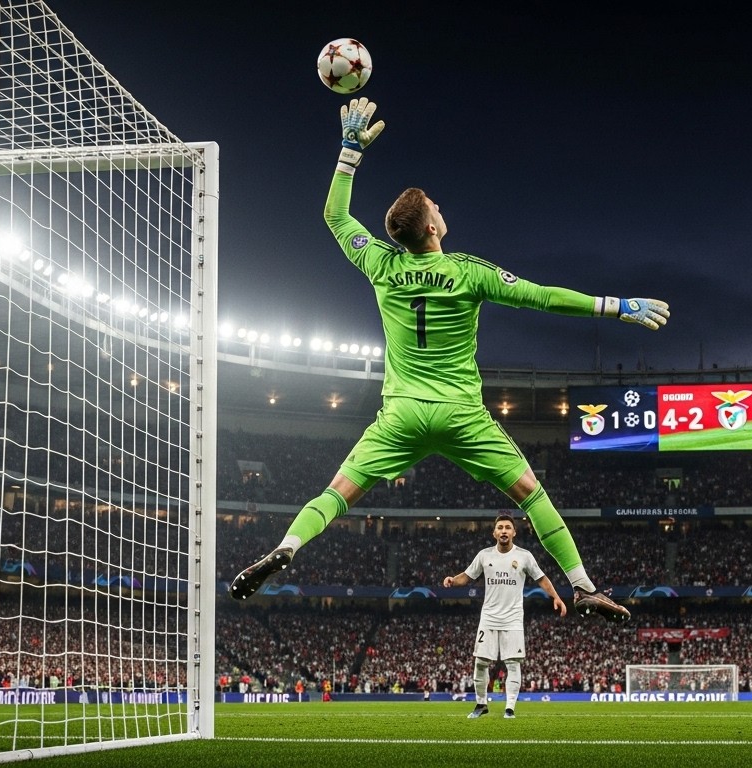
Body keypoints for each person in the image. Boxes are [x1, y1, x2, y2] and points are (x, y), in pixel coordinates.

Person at [230, 98, 670, 623]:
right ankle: (582, 587)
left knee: (337, 493)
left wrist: (349, 153)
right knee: (531, 495)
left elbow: (335, 216)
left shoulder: (381, 263)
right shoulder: (467, 272)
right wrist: (615, 306)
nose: (439, 207)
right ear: (431, 229)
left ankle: (288, 545)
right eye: (434, 206)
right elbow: (543, 297)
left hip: (401, 415)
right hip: (461, 414)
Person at [443, 513, 566, 719]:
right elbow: (467, 576)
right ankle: (481, 704)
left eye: (508, 527)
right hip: (489, 617)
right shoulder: (484, 555)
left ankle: (509, 709)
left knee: (513, 663)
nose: (503, 531)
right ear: (494, 533)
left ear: (514, 532)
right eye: (500, 527)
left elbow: (542, 578)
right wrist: (452, 580)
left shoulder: (525, 556)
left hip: (513, 619)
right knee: (480, 662)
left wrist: (556, 597)